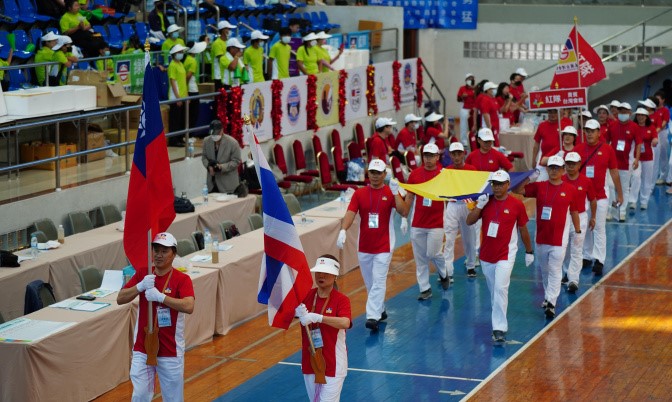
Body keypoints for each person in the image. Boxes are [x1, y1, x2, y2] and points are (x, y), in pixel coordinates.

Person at [117, 232, 195, 402]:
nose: (158, 255)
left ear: (174, 254)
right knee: (140, 396)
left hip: (170, 349)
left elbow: (189, 306)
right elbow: (120, 298)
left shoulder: (182, 279)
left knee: (173, 398)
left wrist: (161, 297)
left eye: (164, 251)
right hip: (143, 347)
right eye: (156, 250)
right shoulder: (144, 274)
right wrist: (140, 286)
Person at [336, 159, 405, 332]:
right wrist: (343, 230)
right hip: (364, 246)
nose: (375, 176)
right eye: (372, 172)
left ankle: (372, 316)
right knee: (370, 282)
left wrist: (397, 194)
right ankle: (380, 310)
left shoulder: (390, 192)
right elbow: (350, 213)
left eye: (378, 173)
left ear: (384, 174)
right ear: (368, 174)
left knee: (379, 280)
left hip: (384, 245)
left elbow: (404, 210)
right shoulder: (359, 194)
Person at [466, 170, 533, 343]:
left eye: (500, 184)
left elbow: (523, 228)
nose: (497, 187)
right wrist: (479, 206)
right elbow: (469, 221)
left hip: (506, 254)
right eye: (494, 184)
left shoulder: (516, 205)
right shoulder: (485, 202)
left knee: (500, 289)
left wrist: (529, 250)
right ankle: (498, 321)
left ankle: (499, 328)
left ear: (508, 185)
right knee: (494, 291)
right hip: (487, 255)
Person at [519, 155, 581, 318]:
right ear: (547, 169)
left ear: (562, 170)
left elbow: (574, 211)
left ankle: (551, 302)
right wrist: (528, 178)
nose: (553, 170)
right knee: (545, 270)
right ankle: (548, 296)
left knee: (554, 270)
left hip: (559, 240)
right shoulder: (539, 187)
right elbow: (518, 190)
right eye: (551, 167)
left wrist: (578, 231)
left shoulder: (570, 190)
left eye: (557, 168)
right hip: (541, 238)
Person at [294, 255, 352, 402]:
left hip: (333, 364)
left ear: (335, 276)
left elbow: (345, 323)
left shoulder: (341, 300)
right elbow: (286, 316)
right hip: (310, 362)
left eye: (326, 272)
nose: (321, 275)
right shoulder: (306, 296)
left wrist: (319, 318)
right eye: (319, 272)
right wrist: (294, 312)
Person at [398, 143, 449, 299]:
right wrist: (404, 217)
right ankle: (425, 288)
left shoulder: (443, 175)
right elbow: (410, 196)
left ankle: (444, 272)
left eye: (431, 156)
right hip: (418, 223)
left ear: (437, 157)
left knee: (433, 253)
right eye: (426, 156)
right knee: (420, 258)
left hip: (436, 223)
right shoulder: (415, 175)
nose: (428, 159)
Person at [573, 119, 623, 276]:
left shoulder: (607, 149)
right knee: (585, 226)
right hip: (582, 196)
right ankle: (586, 256)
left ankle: (599, 260)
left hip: (600, 196)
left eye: (592, 130)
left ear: (598, 132)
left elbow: (614, 172)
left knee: (599, 227)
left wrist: (620, 194)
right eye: (587, 130)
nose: (589, 133)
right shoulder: (578, 149)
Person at [562, 152, 596, 293]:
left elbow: (593, 200)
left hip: (580, 218)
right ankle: (566, 273)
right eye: (568, 163)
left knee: (576, 249)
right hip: (564, 217)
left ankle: (573, 280)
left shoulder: (586, 181)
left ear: (579, 164)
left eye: (573, 164)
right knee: (564, 249)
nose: (570, 166)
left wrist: (593, 217)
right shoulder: (561, 180)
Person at [443, 142, 479, 278]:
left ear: (463, 154)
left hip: (467, 205)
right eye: (454, 154)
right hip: (452, 204)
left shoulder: (472, 169)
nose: (457, 157)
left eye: (459, 153)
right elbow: (444, 191)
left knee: (469, 237)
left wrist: (474, 206)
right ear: (450, 155)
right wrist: (446, 210)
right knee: (449, 239)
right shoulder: (447, 171)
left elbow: (477, 189)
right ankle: (448, 270)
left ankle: (471, 265)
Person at [607, 102, 641, 221]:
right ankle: (611, 210)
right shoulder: (612, 125)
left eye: (625, 112)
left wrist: (636, 159)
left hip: (627, 163)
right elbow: (606, 142)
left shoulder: (634, 127)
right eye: (621, 111)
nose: (623, 114)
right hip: (612, 163)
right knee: (611, 186)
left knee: (625, 188)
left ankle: (621, 211)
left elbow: (638, 144)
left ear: (630, 113)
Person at [201, 120, 241, 194]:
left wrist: (221, 167)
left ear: (222, 131)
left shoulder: (233, 143)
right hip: (211, 185)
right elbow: (204, 157)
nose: (214, 136)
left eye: (216, 134)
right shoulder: (206, 141)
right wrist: (208, 166)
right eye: (212, 134)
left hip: (227, 186)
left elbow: (236, 161)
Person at [633, 108, 658, 209]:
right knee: (635, 178)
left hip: (648, 158)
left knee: (647, 180)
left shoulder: (651, 127)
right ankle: (633, 201)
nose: (640, 117)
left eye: (642, 115)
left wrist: (655, 140)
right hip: (635, 158)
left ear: (646, 117)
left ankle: (644, 201)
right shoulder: (633, 127)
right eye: (638, 115)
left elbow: (655, 137)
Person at [532, 109, 562, 180]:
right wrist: (533, 160)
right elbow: (536, 144)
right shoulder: (542, 125)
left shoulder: (563, 125)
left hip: (559, 163)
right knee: (540, 184)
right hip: (544, 163)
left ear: (559, 113)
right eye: (550, 112)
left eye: (555, 112)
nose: (552, 114)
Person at [168, 44, 188, 147]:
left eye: (182, 52)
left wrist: (186, 95)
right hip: (175, 96)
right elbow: (173, 81)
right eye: (180, 52)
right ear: (175, 54)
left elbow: (183, 80)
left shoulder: (180, 64)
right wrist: (178, 97)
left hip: (183, 95)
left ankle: (180, 138)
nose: (181, 54)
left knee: (181, 119)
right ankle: (173, 140)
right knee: (175, 119)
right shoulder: (172, 65)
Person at [184, 41, 207, 131]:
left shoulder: (187, 58)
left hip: (190, 89)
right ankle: (190, 133)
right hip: (192, 90)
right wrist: (185, 90)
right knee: (194, 113)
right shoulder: (193, 61)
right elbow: (188, 76)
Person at [211, 20, 237, 92]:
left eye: (229, 29)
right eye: (228, 29)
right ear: (222, 30)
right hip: (219, 75)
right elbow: (222, 59)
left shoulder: (228, 42)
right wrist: (232, 65)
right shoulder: (217, 43)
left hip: (227, 74)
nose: (229, 31)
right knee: (221, 99)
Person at [652, 91, 671, 187]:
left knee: (663, 155)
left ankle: (663, 176)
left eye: (658, 99)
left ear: (663, 100)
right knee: (654, 155)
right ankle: (654, 175)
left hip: (662, 134)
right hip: (654, 133)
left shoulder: (665, 110)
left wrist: (657, 130)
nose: (657, 101)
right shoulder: (653, 110)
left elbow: (664, 122)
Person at [478, 81, 501, 146]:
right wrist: (489, 128)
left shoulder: (493, 99)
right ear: (488, 90)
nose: (495, 90)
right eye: (493, 89)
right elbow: (485, 114)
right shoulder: (485, 100)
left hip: (495, 126)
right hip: (488, 128)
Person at [457, 73, 476, 146]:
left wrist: (474, 89)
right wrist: (462, 96)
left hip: (473, 109)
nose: (471, 80)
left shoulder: (475, 88)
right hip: (465, 109)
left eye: (472, 78)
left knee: (473, 124)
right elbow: (458, 99)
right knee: (463, 125)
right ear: (466, 80)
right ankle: (463, 141)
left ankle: (473, 139)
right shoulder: (462, 88)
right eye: (469, 79)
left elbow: (477, 98)